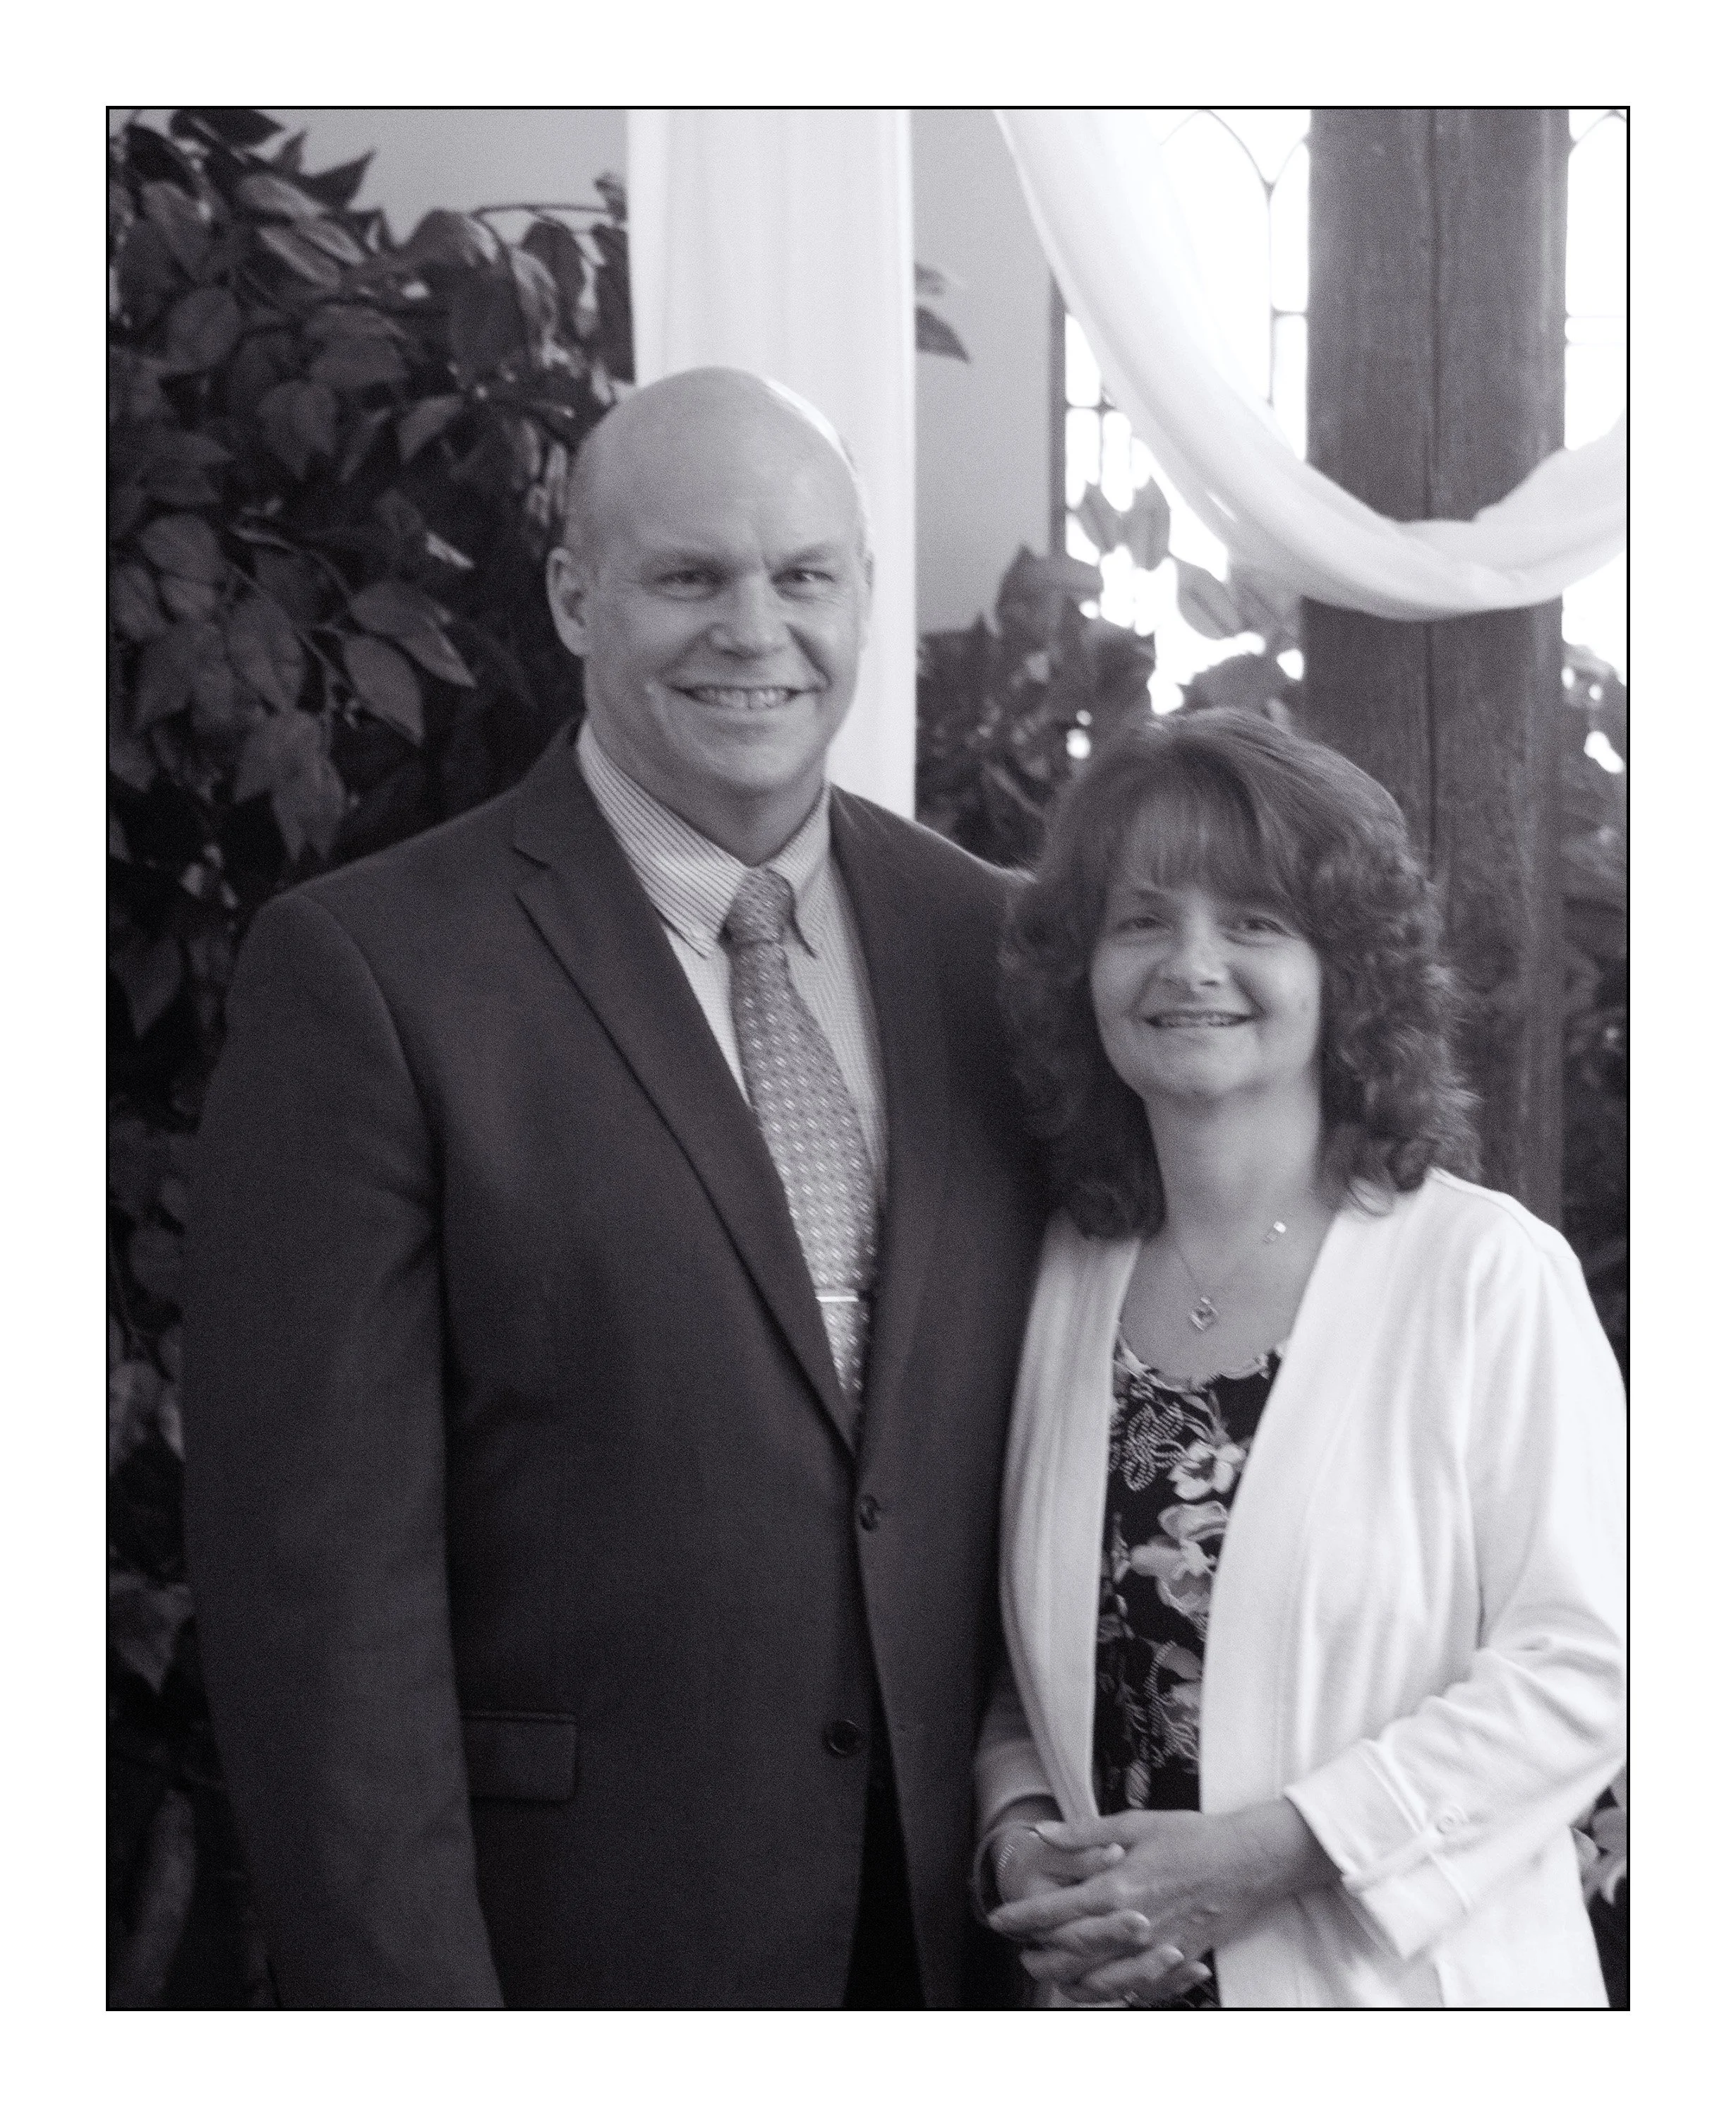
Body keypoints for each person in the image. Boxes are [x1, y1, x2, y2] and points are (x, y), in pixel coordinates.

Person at [181, 368, 1047, 2008]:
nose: (753, 629)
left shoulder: (997, 945)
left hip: (970, 1952)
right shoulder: (370, 977)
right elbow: (319, 1618)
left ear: (863, 596)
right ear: (577, 595)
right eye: (688, 577)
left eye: (803, 577)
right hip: (580, 1956)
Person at [974, 707, 1625, 2007]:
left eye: (1256, 923)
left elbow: (1588, 1665)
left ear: (1352, 971)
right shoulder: (1051, 1276)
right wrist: (1013, 1837)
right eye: (1141, 919)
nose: (1191, 964)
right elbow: (1016, 1659)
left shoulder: (1485, 1274)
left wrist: (1277, 1853)